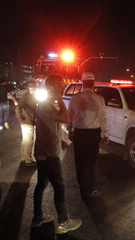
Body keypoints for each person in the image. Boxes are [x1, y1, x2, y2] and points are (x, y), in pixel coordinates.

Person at [33, 74, 82, 234]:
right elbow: (65, 117)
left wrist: (60, 139)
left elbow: (49, 126)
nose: (62, 88)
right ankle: (63, 221)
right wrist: (59, 99)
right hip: (48, 154)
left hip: (45, 150)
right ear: (52, 87)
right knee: (59, 186)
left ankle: (38, 218)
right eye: (60, 85)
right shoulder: (46, 104)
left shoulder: (49, 103)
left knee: (41, 184)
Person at [68, 72, 109, 200]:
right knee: (91, 162)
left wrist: (70, 130)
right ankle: (89, 189)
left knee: (80, 161)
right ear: (94, 83)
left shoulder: (74, 98)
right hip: (93, 133)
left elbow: (70, 117)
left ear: (82, 82)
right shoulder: (99, 99)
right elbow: (103, 118)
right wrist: (106, 134)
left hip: (79, 132)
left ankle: (82, 187)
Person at [15, 81, 38, 166]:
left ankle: (24, 158)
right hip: (26, 120)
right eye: (30, 86)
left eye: (33, 86)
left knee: (26, 140)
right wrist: (19, 116)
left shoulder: (34, 96)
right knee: (29, 141)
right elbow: (18, 106)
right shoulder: (26, 96)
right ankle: (28, 160)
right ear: (28, 87)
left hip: (29, 120)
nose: (32, 88)